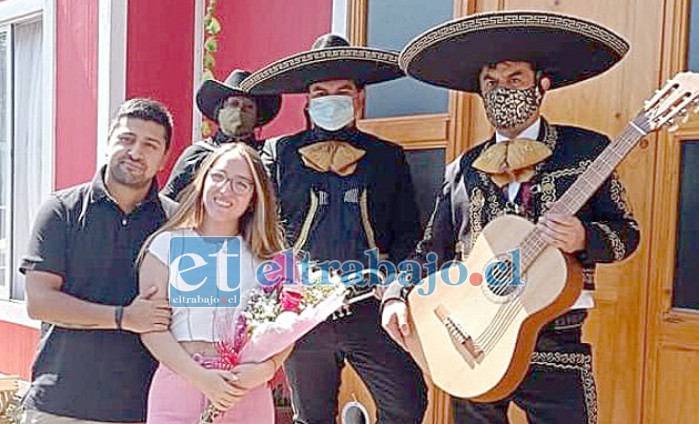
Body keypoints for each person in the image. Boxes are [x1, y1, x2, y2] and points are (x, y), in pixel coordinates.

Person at [381, 11, 641, 424]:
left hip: (556, 343)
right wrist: (396, 294)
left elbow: (626, 234)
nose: (502, 90)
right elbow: (430, 250)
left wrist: (582, 237)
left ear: (542, 84)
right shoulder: (463, 168)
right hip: (471, 342)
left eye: (515, 79)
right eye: (491, 83)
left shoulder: (586, 151)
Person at [242, 34, 427, 424]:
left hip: (368, 307)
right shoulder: (278, 154)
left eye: (342, 90)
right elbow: (260, 228)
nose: (331, 99)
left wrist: (395, 287)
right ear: (308, 101)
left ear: (360, 98)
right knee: (311, 415)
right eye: (320, 92)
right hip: (304, 312)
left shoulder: (387, 157)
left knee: (407, 404)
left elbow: (408, 233)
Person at [20, 98, 177, 423]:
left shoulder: (176, 222)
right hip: (60, 405)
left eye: (150, 145)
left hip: (145, 407)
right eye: (126, 139)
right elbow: (40, 302)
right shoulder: (61, 210)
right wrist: (124, 317)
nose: (135, 152)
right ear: (108, 143)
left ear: (164, 159)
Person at [139, 142, 291, 423]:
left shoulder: (270, 259)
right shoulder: (167, 245)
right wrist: (202, 378)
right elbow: (151, 328)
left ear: (254, 198)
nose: (226, 190)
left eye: (241, 184)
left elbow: (289, 326)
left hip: (244, 389)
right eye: (218, 177)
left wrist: (267, 368)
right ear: (203, 180)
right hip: (180, 385)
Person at [162, 69, 281, 201]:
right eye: (234, 104)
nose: (240, 111)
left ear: (257, 116)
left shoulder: (268, 156)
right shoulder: (197, 154)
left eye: (248, 107)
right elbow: (168, 202)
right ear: (219, 111)